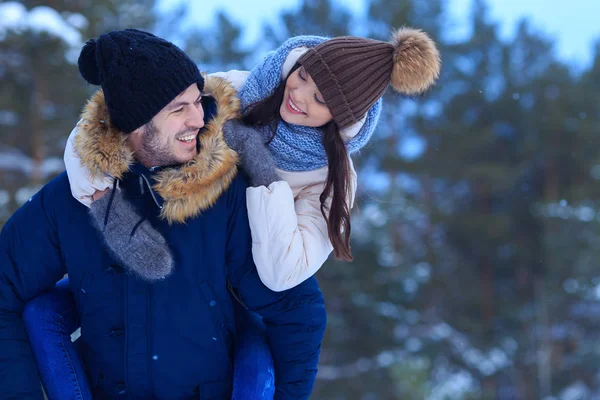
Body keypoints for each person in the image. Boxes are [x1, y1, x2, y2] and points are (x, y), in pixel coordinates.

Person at [0, 28, 326, 400]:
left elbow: (297, 310)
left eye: (197, 101)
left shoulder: (226, 196)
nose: (198, 119)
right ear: (135, 122)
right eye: (178, 109)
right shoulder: (71, 199)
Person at [66, 27, 442, 292]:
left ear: (342, 118)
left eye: (322, 100)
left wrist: (263, 172)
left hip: (224, 293)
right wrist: (105, 206)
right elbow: (118, 115)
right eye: (304, 75)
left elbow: (284, 273)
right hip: (163, 248)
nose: (299, 95)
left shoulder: (331, 178)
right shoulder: (238, 88)